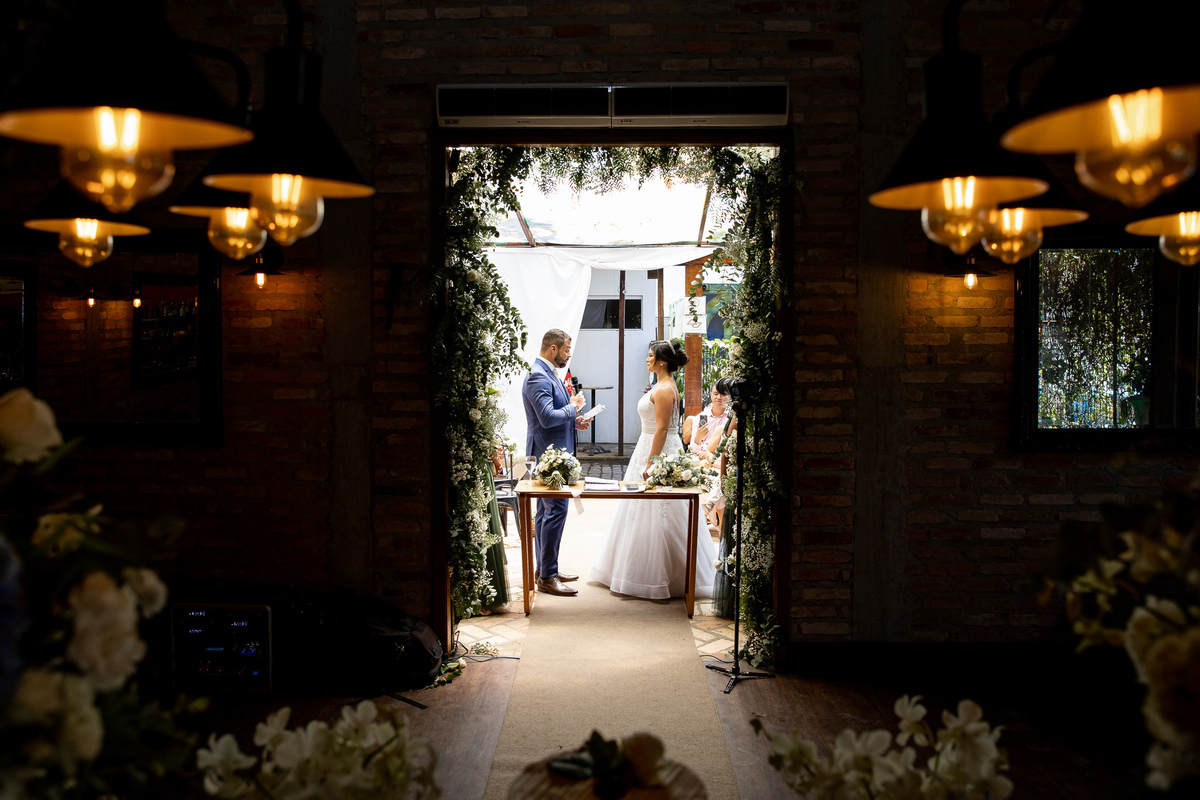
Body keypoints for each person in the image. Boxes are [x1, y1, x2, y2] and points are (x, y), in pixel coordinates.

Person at [590, 340, 719, 599]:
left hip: (656, 448)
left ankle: (661, 576)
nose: (647, 359)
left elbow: (661, 428)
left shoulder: (663, 389)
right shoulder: (663, 385)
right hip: (650, 445)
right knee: (641, 510)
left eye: (650, 356)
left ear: (662, 361)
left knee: (660, 508)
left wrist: (651, 463)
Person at [522, 328, 591, 597]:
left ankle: (546, 568)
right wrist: (573, 406)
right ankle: (548, 576)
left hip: (555, 453)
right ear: (553, 349)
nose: (568, 356)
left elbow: (555, 417)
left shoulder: (549, 372)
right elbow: (547, 418)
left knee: (545, 513)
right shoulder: (537, 375)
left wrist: (576, 421)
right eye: (566, 351)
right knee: (555, 512)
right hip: (547, 458)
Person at [681, 378, 734, 534]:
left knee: (718, 476)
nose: (719, 398)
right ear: (711, 395)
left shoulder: (730, 418)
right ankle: (707, 521)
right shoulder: (702, 417)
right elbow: (695, 447)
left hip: (719, 457)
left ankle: (711, 517)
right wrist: (697, 439)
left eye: (723, 394)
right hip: (702, 458)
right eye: (716, 393)